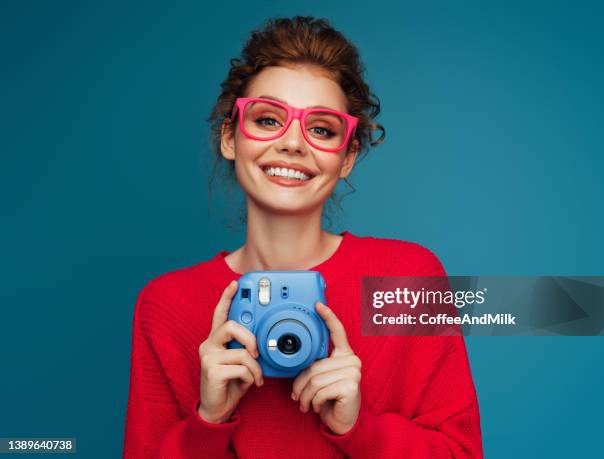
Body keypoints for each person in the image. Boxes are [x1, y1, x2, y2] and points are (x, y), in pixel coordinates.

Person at [123, 16, 483, 459]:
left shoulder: (407, 280)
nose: (293, 143)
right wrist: (208, 422)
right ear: (230, 137)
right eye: (269, 119)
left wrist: (359, 428)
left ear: (347, 157)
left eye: (321, 129)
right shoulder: (168, 305)